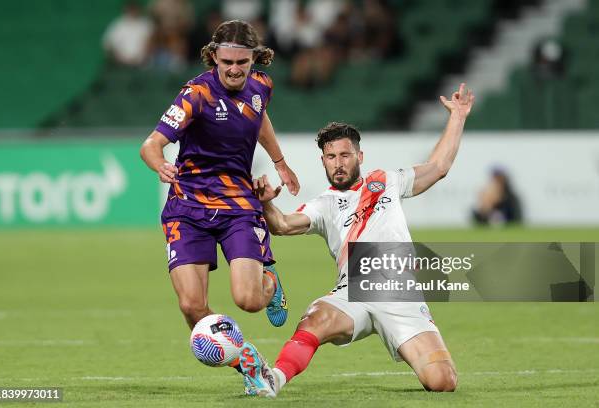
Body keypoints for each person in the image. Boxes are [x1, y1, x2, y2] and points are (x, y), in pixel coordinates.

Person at [240, 83, 475, 396]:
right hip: (354, 290)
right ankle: (271, 380)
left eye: (345, 155)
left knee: (442, 381)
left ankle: (406, 342)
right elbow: (282, 224)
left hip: (398, 293)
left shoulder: (386, 181)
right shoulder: (323, 204)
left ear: (359, 155)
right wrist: (266, 202)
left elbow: (438, 167)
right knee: (315, 319)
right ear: (323, 161)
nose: (338, 163)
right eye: (331, 156)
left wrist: (457, 116)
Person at [139, 19, 299, 374]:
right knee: (192, 306)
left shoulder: (261, 86)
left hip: (238, 205)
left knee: (249, 300)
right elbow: (150, 144)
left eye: (242, 63)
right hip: (188, 207)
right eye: (227, 62)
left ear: (254, 59)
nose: (234, 69)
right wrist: (160, 164)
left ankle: (269, 283)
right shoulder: (195, 94)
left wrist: (280, 162)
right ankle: (249, 366)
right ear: (214, 57)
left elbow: (259, 116)